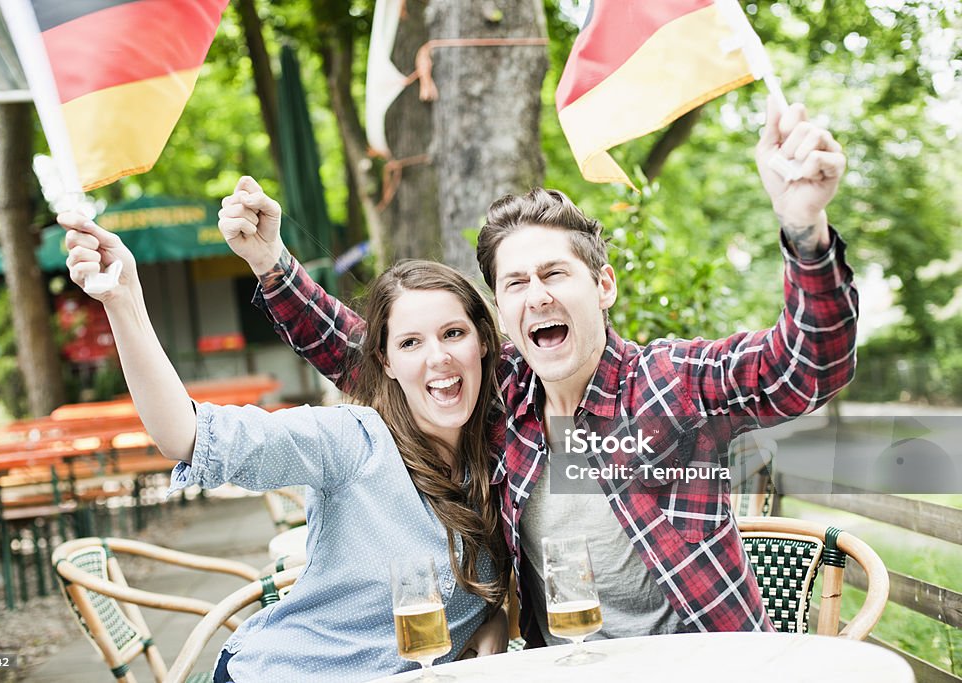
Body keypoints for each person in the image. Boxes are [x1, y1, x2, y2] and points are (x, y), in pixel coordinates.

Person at [217, 96, 856, 641]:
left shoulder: (670, 385)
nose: (537, 294)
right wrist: (273, 263)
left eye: (555, 273)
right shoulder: (505, 401)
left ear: (602, 285)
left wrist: (805, 231)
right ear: (501, 308)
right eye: (515, 282)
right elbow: (372, 358)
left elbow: (803, 368)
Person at [57, 214, 512, 681]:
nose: (438, 358)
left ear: (483, 341)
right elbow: (184, 434)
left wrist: (493, 612)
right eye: (411, 342)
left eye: (453, 333)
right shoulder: (352, 440)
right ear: (386, 362)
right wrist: (122, 300)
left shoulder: (505, 454)